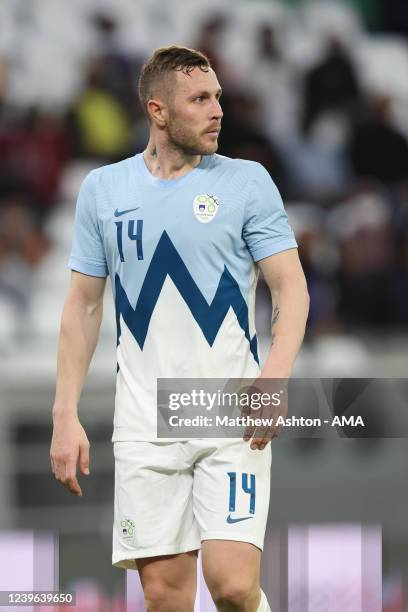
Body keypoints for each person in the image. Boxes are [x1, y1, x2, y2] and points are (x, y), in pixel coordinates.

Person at [50, 45, 309, 612]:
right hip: (144, 421)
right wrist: (64, 414)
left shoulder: (247, 182)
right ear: (158, 111)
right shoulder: (104, 190)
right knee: (166, 597)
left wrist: (275, 378)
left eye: (218, 96)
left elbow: (290, 286)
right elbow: (83, 306)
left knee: (233, 585)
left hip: (227, 411)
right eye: (199, 99)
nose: (218, 110)